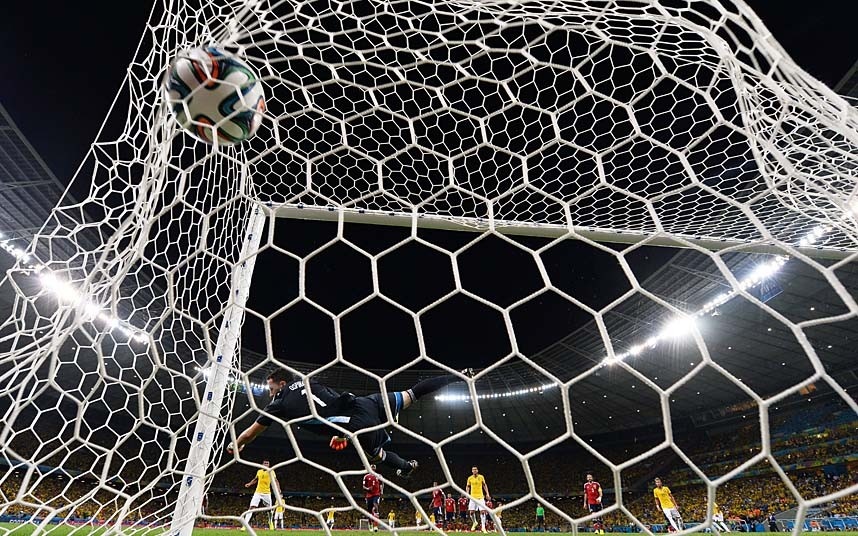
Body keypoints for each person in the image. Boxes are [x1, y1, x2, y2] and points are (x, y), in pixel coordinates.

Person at [230, 368, 471, 476]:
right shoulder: (308, 380)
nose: (270, 394)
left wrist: (237, 443)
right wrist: (340, 432)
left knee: (376, 456)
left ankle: (406, 467)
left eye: (271, 389)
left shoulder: (278, 402)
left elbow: (251, 433)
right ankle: (458, 376)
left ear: (281, 385)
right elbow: (329, 401)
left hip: (357, 422)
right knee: (412, 393)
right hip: (365, 402)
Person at [242, 460, 276, 529]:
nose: (266, 464)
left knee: (269, 509)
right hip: (258, 492)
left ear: (269, 465)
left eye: (267, 463)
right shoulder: (259, 471)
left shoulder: (271, 471)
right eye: (265, 463)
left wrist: (278, 489)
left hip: (267, 493)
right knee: (251, 507)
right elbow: (255, 479)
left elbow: (276, 481)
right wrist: (249, 484)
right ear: (262, 464)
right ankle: (245, 525)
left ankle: (270, 521)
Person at [466, 466, 491, 533]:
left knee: (482, 511)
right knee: (471, 512)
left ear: (477, 470)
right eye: (473, 469)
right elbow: (468, 486)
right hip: (472, 497)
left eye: (475, 469)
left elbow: (484, 485)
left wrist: (487, 494)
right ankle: (475, 522)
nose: (474, 470)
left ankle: (483, 527)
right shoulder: (470, 478)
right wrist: (467, 494)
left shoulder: (481, 477)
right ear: (472, 471)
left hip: (480, 497)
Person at [363, 465, 383, 532]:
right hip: (369, 495)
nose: (373, 468)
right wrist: (368, 489)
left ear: (375, 468)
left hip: (376, 494)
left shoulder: (379, 476)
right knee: (369, 511)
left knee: (375, 505)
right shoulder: (366, 476)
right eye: (372, 467)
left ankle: (376, 526)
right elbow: (363, 486)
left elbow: (381, 484)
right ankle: (370, 524)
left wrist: (381, 491)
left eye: (374, 467)